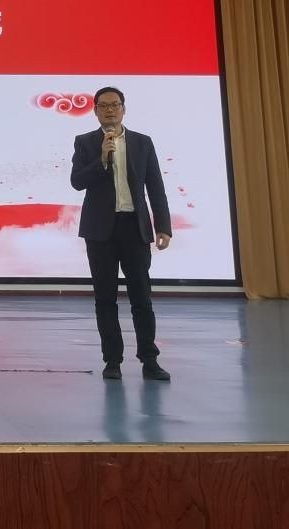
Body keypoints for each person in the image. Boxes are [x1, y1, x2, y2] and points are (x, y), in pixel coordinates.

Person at [69, 86, 172, 382]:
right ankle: (112, 360)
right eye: (103, 106)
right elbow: (77, 181)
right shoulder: (85, 142)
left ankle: (150, 360)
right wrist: (102, 159)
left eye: (115, 105)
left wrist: (163, 226)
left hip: (134, 227)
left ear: (124, 109)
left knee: (142, 297)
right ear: (95, 111)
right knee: (105, 298)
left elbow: (155, 185)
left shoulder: (142, 142)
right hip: (100, 230)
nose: (110, 110)